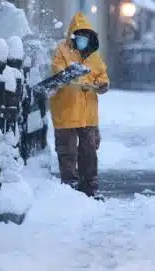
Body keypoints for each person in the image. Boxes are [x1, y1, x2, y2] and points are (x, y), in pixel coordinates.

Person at [49, 12, 109, 198]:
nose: (83, 39)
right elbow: (58, 71)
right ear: (73, 35)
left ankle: (89, 187)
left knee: (89, 151)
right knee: (67, 151)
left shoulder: (95, 57)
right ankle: (70, 188)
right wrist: (75, 78)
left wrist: (101, 85)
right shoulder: (61, 51)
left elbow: (103, 77)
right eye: (80, 35)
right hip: (65, 111)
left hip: (87, 114)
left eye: (87, 36)